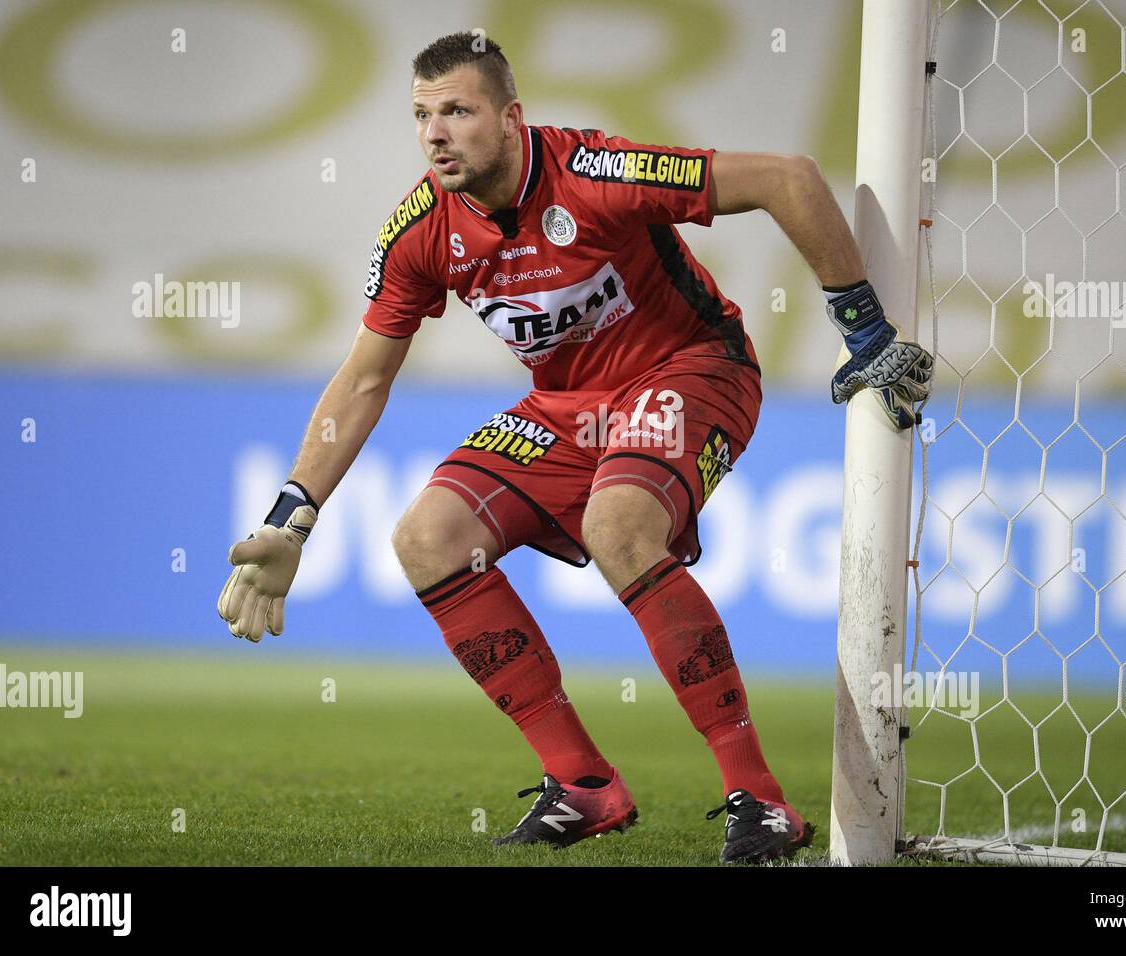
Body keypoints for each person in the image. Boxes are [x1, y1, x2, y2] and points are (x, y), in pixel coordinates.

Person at [216, 31, 932, 864]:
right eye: (421, 115)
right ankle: (584, 785)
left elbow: (788, 179)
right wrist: (293, 515)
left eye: (457, 111)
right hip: (566, 409)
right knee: (425, 538)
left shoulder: (598, 174)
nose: (435, 133)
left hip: (692, 367)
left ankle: (761, 799)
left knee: (619, 526)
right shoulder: (419, 232)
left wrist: (865, 328)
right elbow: (364, 380)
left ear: (512, 117)